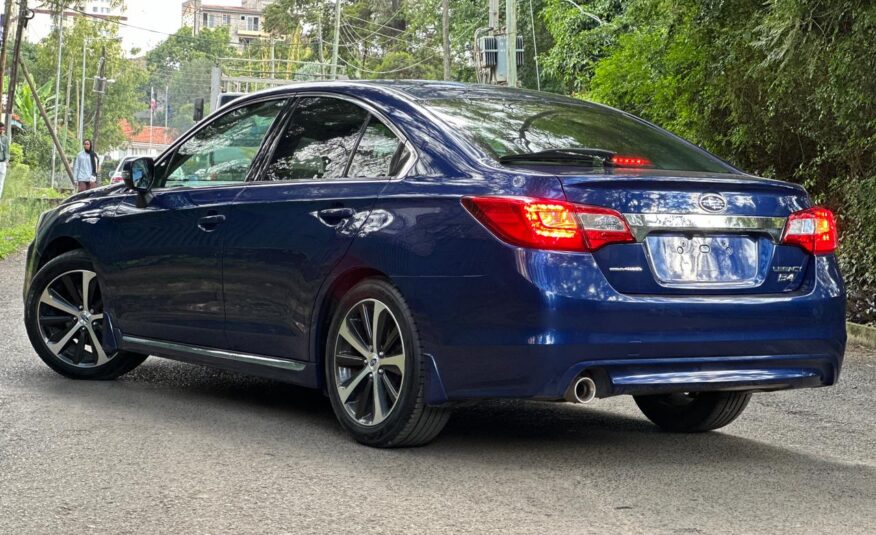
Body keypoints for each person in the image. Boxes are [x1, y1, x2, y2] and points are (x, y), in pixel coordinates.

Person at [0, 124, 9, 198]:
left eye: (3, 129)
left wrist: (7, 161)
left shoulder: (5, 138)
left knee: (1, 182)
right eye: (0, 129)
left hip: (2, 162)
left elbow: (7, 150)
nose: (2, 131)